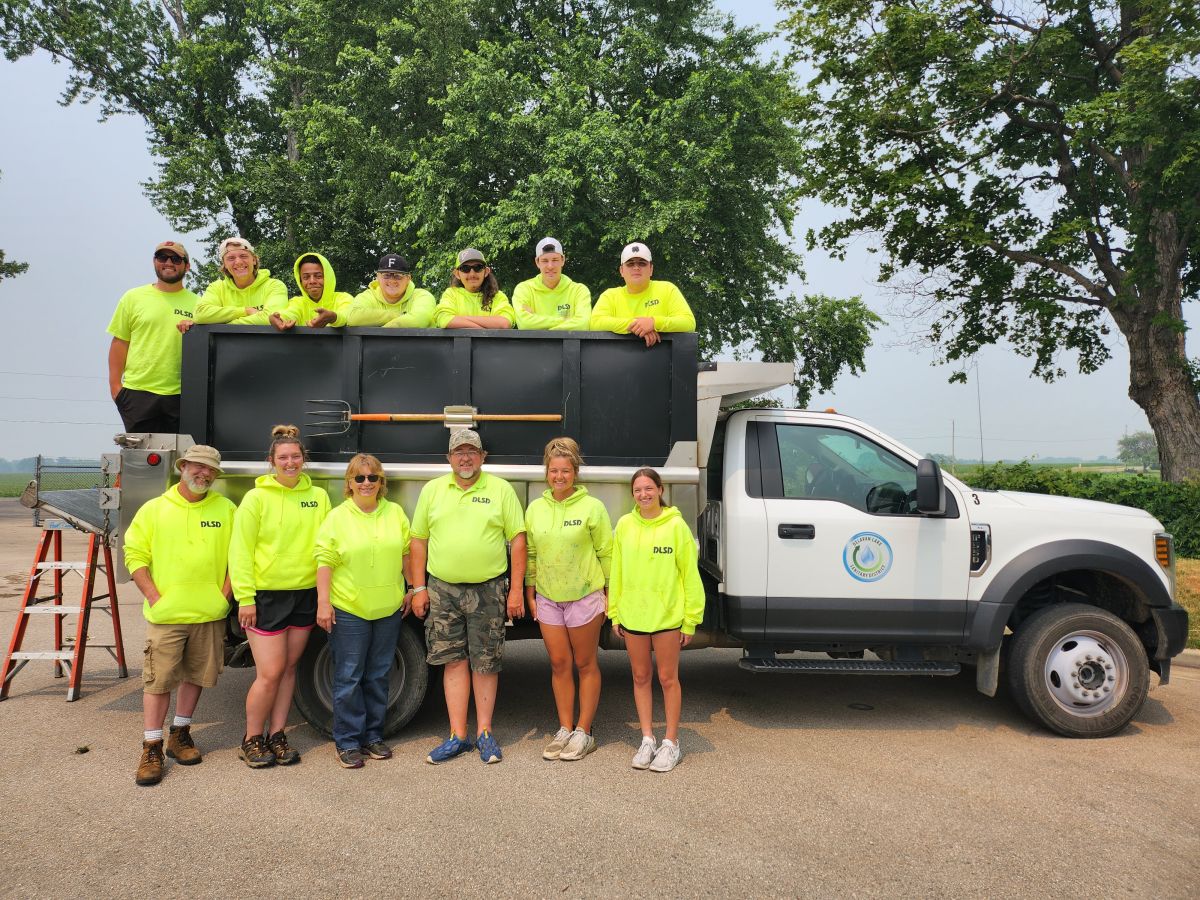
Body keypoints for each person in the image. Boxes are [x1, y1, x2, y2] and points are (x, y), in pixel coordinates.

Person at [409, 429, 526, 764]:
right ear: (449, 458)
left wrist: (515, 589)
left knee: (486, 662)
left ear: (482, 457)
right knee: (453, 661)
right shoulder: (433, 491)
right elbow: (418, 540)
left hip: (488, 589)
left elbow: (518, 539)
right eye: (458, 452)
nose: (465, 458)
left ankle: (485, 733)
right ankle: (458, 735)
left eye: (471, 452)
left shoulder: (500, 490)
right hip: (442, 590)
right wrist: (418, 588)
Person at [123, 444, 236, 786]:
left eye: (210, 470)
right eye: (197, 467)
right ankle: (152, 746)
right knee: (158, 681)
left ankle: (180, 734)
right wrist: (154, 596)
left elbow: (239, 557)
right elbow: (135, 555)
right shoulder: (155, 509)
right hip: (167, 614)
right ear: (182, 466)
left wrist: (224, 596)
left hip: (209, 612)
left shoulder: (227, 509)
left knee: (195, 676)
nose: (203, 474)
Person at [229, 425, 331, 768]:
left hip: (304, 594)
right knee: (269, 672)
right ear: (271, 461)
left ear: (304, 460)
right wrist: (244, 597)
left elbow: (325, 547)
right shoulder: (256, 499)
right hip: (266, 596)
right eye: (283, 457)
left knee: (288, 670)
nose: (290, 463)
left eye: (296, 457)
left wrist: (322, 596)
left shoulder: (318, 496)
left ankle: (277, 735)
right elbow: (239, 551)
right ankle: (251, 738)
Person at [314, 454, 412, 769]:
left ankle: (372, 736)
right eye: (360, 478)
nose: (366, 483)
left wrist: (411, 588)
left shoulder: (395, 512)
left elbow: (407, 552)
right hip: (349, 609)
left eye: (373, 478)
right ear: (350, 483)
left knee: (379, 675)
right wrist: (323, 602)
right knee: (348, 676)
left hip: (387, 609)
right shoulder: (338, 517)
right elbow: (325, 561)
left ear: (381, 482)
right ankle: (347, 742)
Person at [608, 467, 704, 773]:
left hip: (666, 617)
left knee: (667, 678)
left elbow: (690, 575)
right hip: (633, 615)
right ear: (632, 494)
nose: (644, 495)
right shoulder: (624, 525)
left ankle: (671, 742)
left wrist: (690, 619)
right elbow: (617, 572)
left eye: (649, 488)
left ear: (660, 490)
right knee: (639, 677)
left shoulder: (676, 526)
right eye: (638, 490)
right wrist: (614, 612)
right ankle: (647, 738)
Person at [524, 437, 612, 761]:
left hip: (584, 596)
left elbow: (607, 552)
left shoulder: (592, 508)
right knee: (559, 664)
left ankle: (584, 731)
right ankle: (564, 728)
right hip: (548, 598)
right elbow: (531, 554)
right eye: (553, 471)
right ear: (546, 472)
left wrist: (610, 595)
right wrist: (530, 593)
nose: (559, 476)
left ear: (575, 472)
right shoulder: (535, 508)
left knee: (585, 663)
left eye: (565, 471)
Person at [106, 240, 198, 433]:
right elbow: (120, 342)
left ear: (187, 266)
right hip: (138, 393)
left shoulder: (200, 304)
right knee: (142, 460)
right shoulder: (132, 297)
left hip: (183, 395)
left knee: (183, 459)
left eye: (176, 258)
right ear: (154, 261)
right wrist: (116, 388)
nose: (168, 262)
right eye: (162, 257)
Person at [590, 242, 696, 346]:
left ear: (651, 269)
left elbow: (688, 322)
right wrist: (638, 325)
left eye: (642, 263)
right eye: (630, 264)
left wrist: (654, 323)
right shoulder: (610, 296)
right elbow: (595, 323)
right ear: (621, 271)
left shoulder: (668, 289)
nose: (636, 267)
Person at [239, 252, 353, 330]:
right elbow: (290, 313)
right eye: (306, 277)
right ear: (300, 280)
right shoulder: (297, 302)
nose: (312, 281)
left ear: (328, 277)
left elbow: (347, 315)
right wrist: (278, 319)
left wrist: (333, 317)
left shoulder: (343, 298)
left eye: (318, 276)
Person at [193, 237, 288, 324]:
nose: (238, 262)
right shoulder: (217, 288)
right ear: (224, 264)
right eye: (231, 258)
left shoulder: (274, 285)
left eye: (243, 256)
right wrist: (245, 311)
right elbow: (199, 314)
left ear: (254, 260)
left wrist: (223, 326)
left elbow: (272, 319)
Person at [512, 237, 591, 330]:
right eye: (545, 261)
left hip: (569, 345)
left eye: (555, 260)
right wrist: (566, 321)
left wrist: (542, 327)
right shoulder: (524, 289)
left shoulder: (579, 290)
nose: (550, 266)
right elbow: (525, 324)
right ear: (537, 262)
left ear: (563, 260)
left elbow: (582, 325)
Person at [432, 248, 516, 329]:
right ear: (457, 274)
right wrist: (481, 329)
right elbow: (444, 319)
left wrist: (460, 320)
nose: (472, 274)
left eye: (478, 267)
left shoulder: (497, 296)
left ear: (486, 272)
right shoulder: (451, 294)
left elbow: (505, 323)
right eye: (465, 268)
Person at [348, 252, 436, 328]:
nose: (392, 281)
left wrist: (383, 331)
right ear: (378, 277)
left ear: (408, 278)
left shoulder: (422, 296)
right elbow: (352, 317)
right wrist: (397, 316)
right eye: (386, 275)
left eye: (398, 276)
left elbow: (421, 318)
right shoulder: (367, 296)